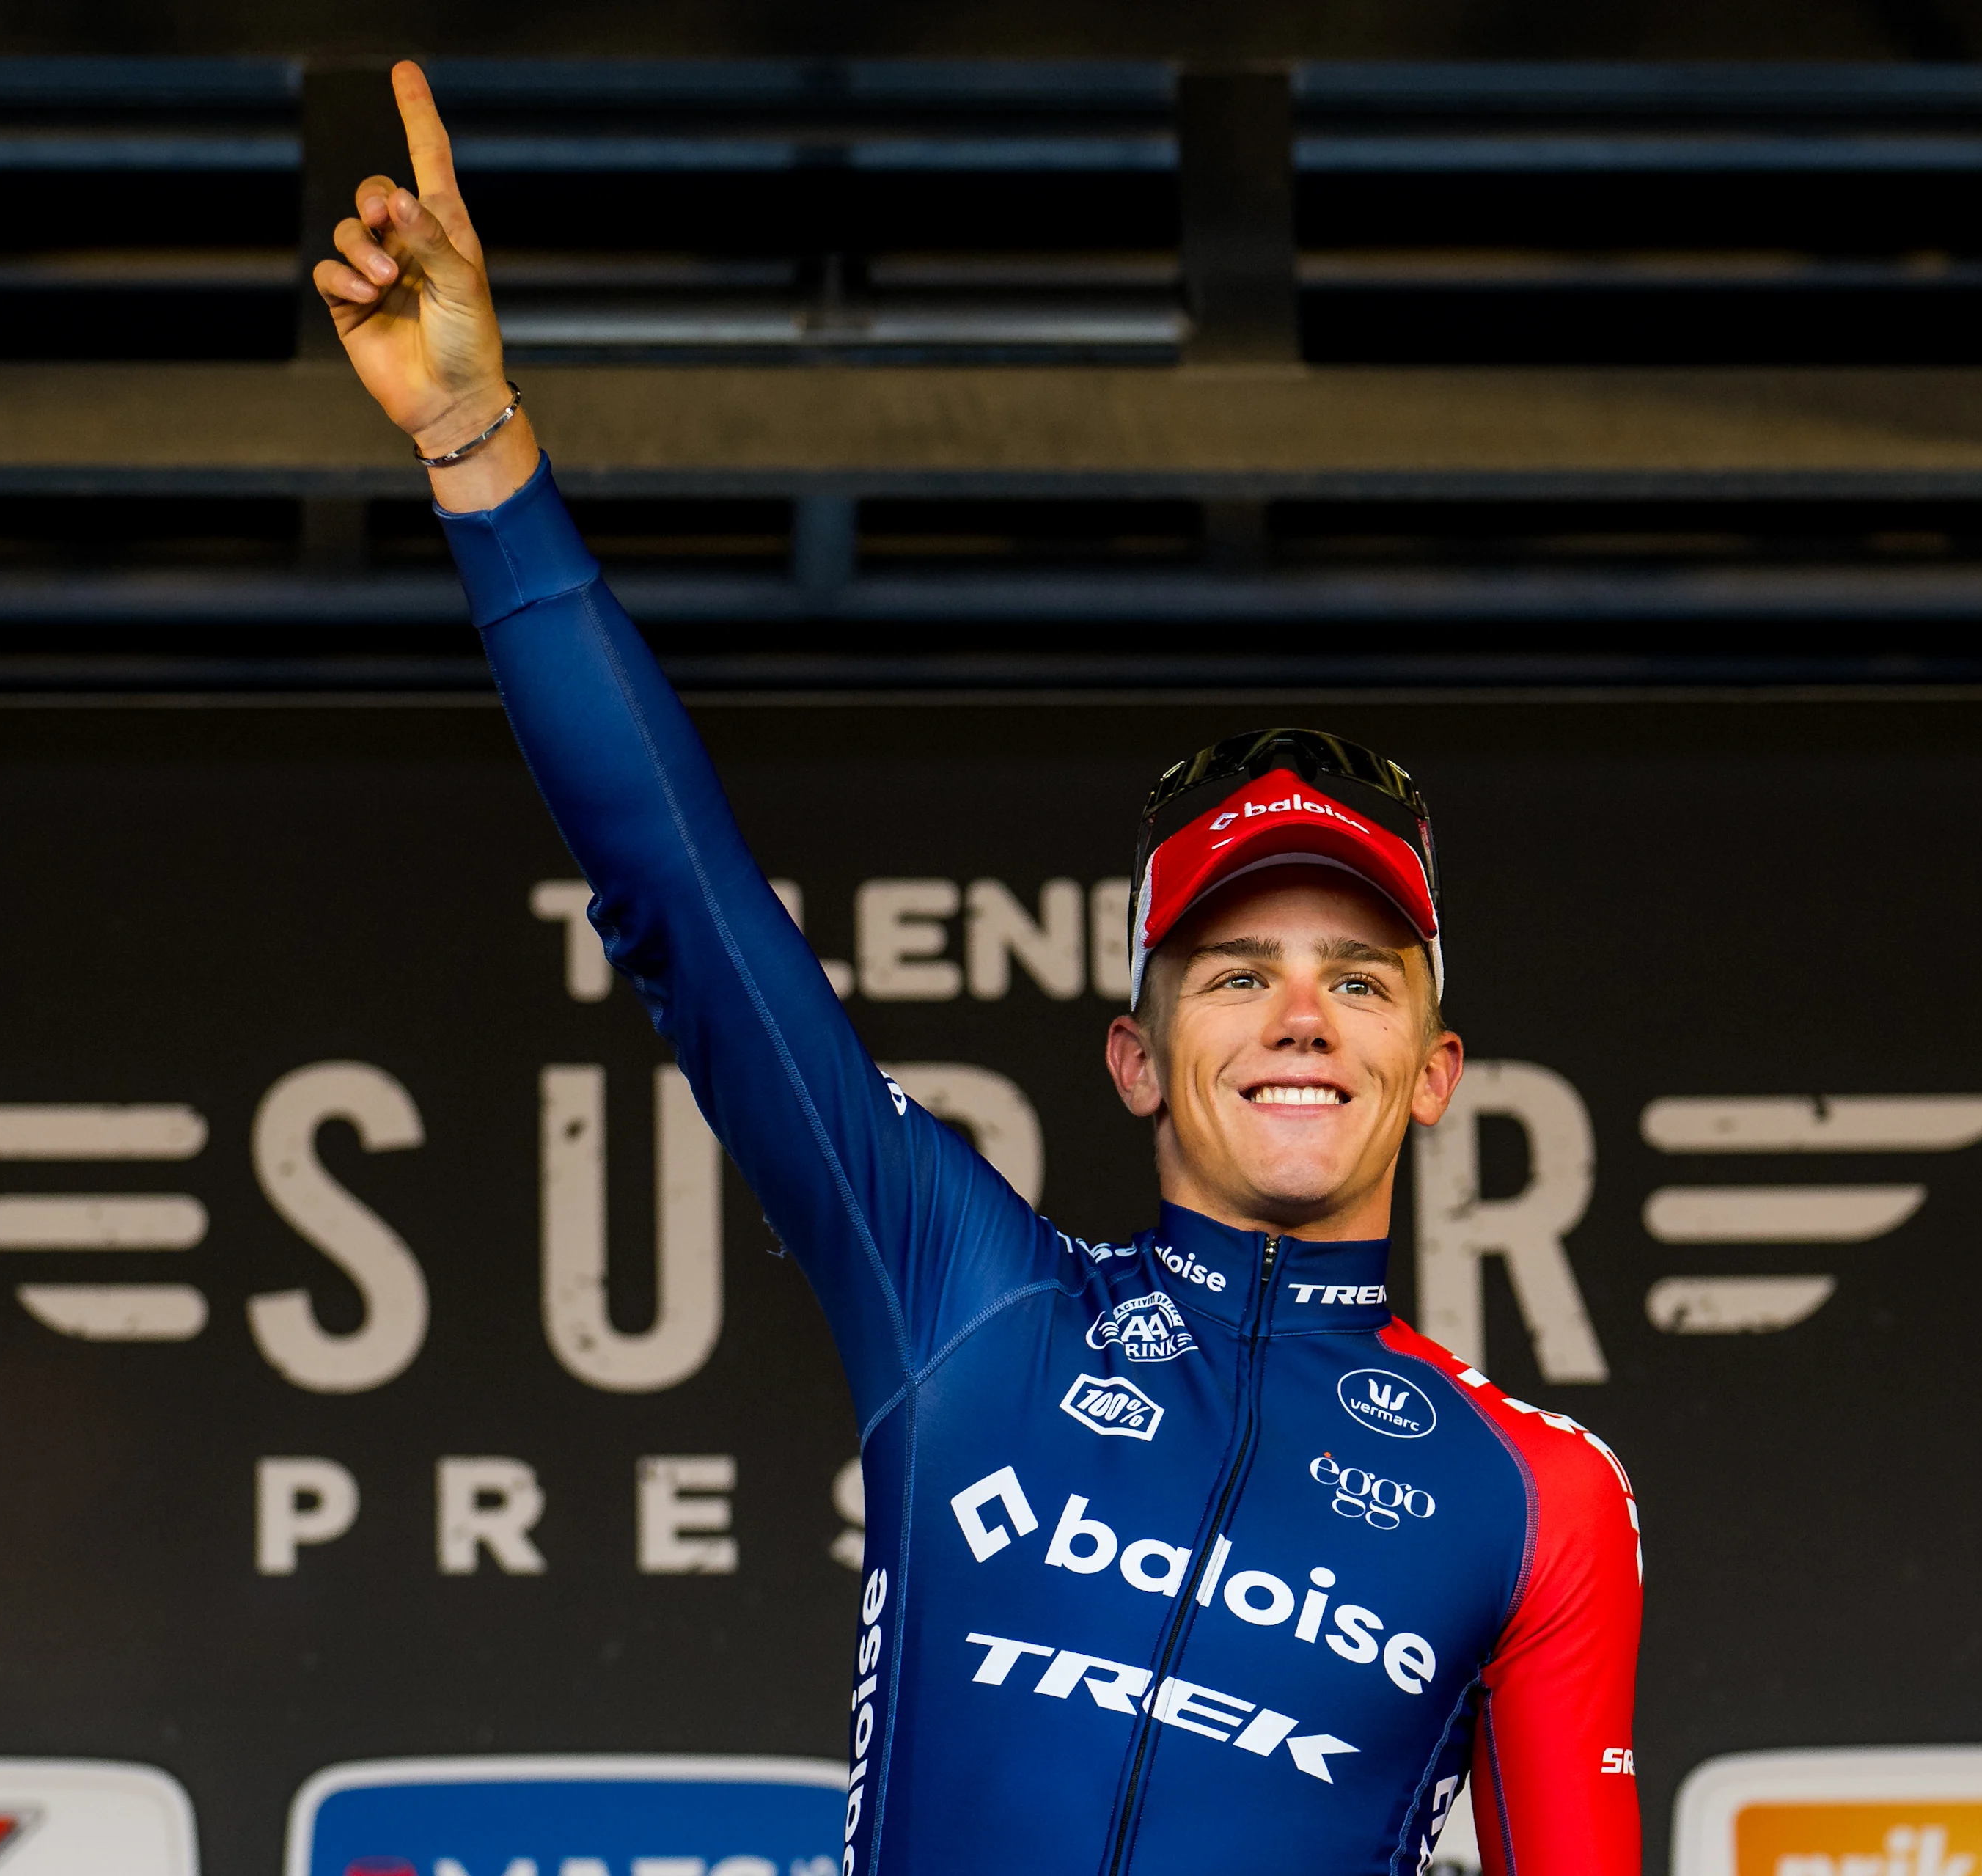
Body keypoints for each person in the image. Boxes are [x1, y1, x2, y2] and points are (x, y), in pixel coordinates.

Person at [318, 62, 1642, 1876]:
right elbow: (680, 904)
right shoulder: (972, 1295)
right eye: (1235, 972)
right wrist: (477, 446)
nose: (1301, 1018)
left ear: (1434, 1067)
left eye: (1359, 976)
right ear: (1132, 1049)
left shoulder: (1539, 1499)